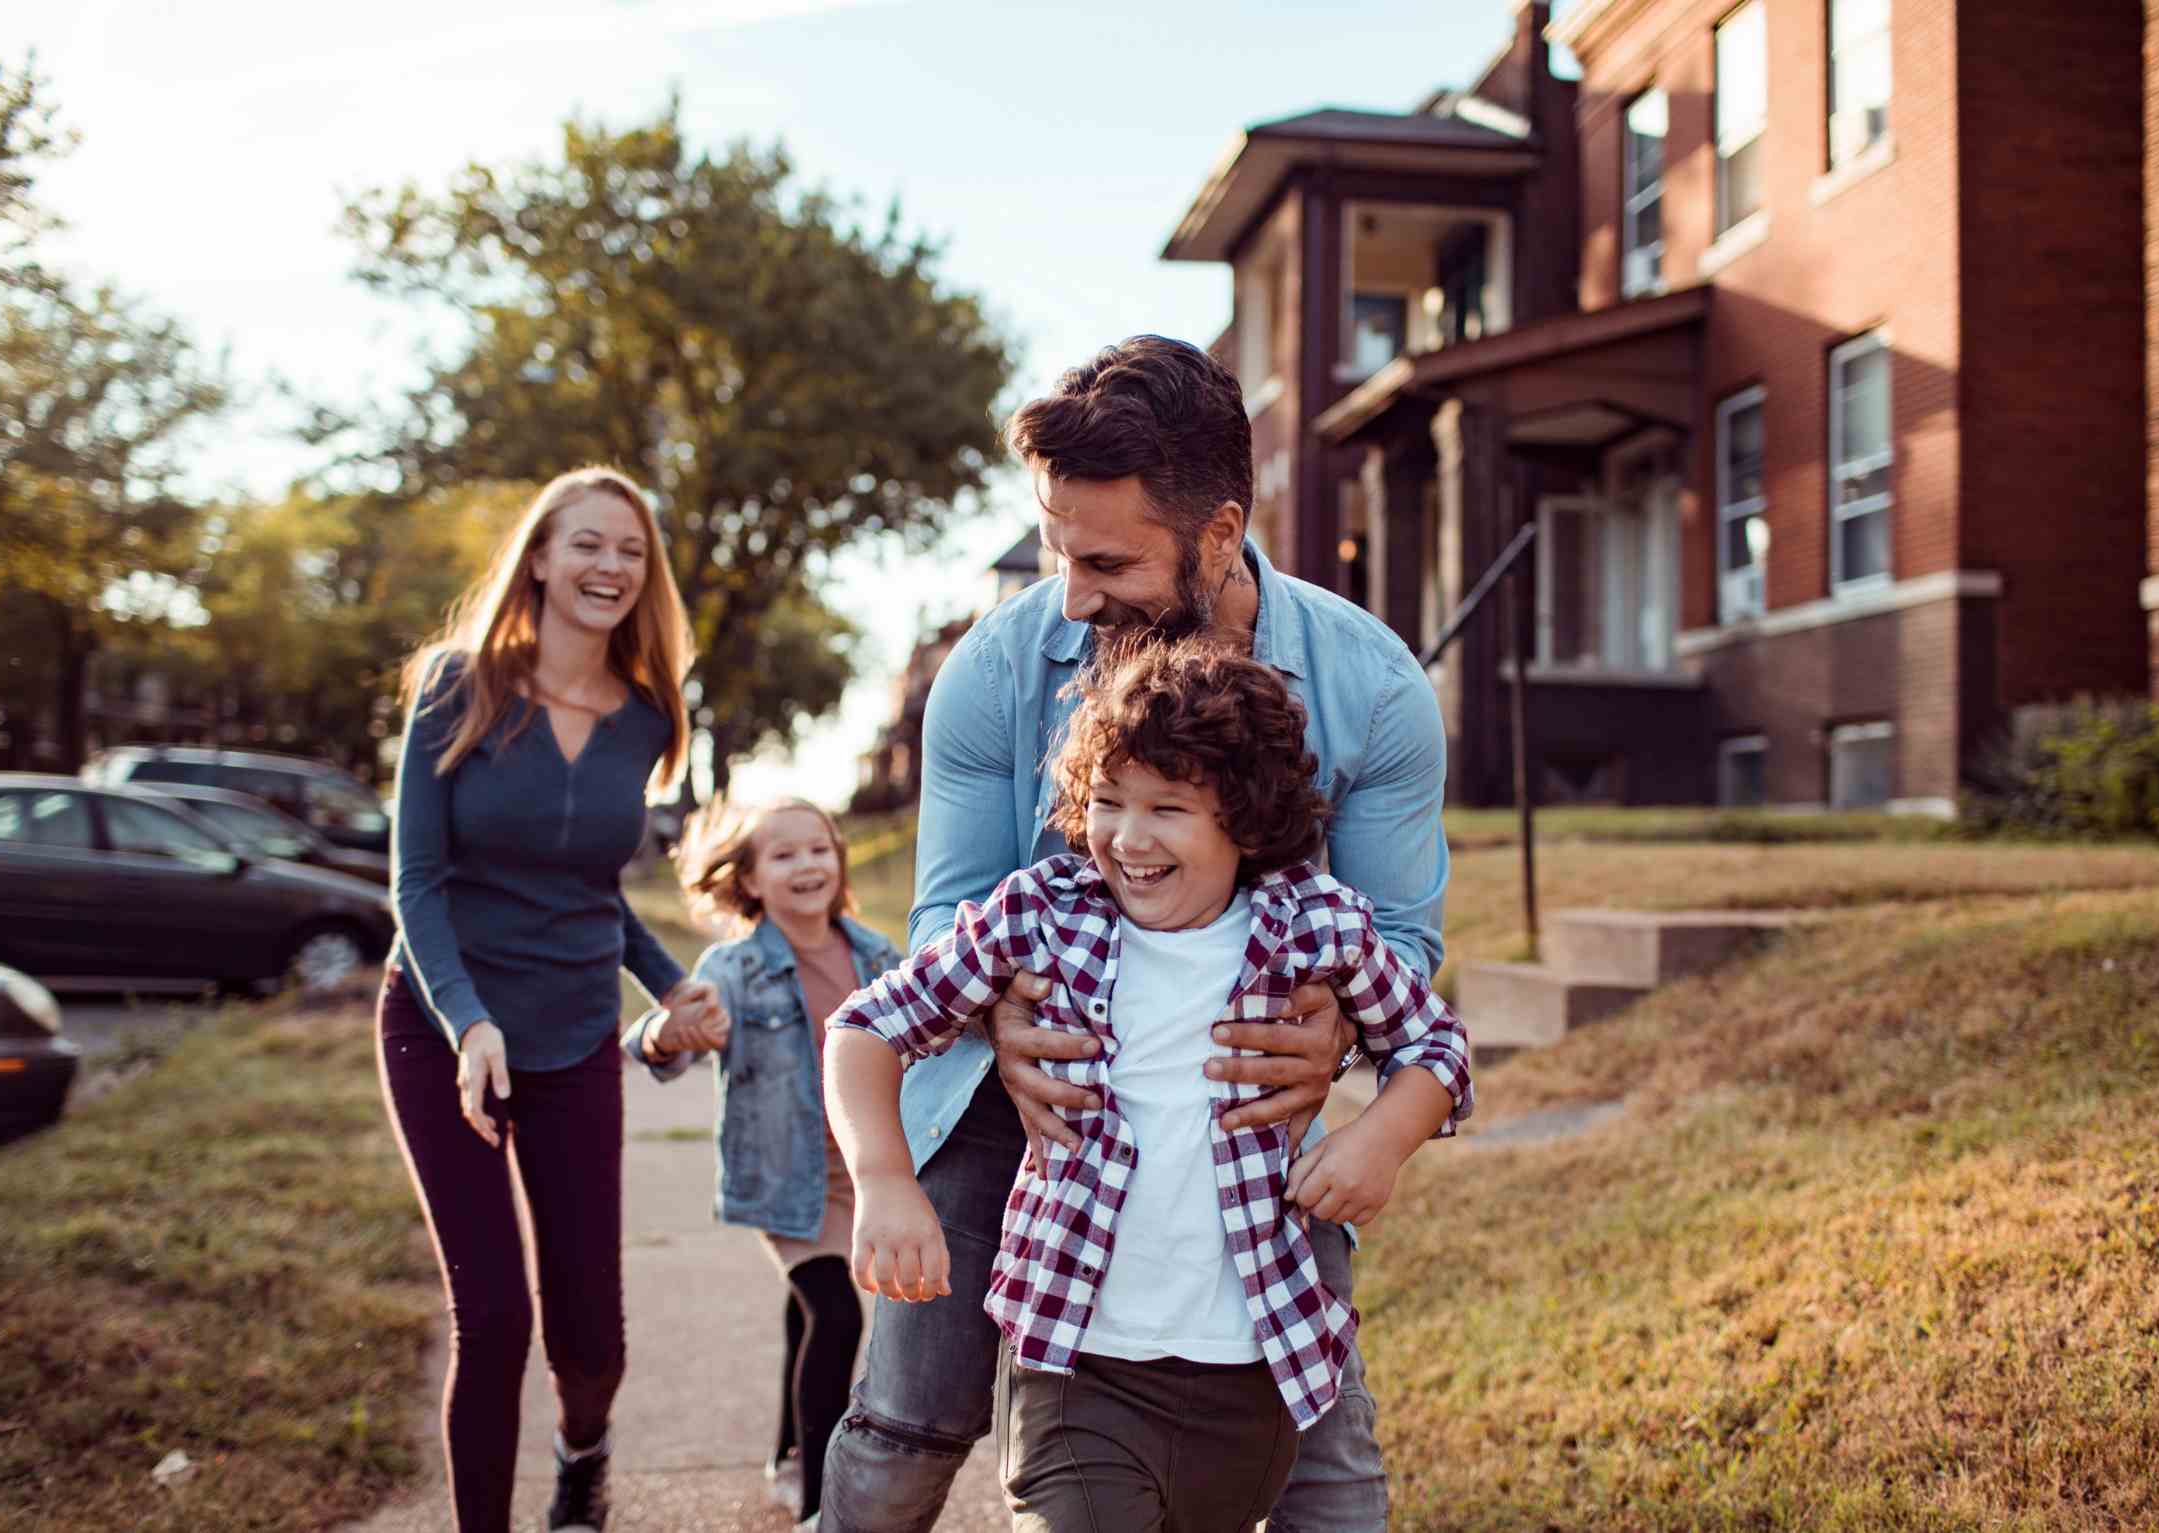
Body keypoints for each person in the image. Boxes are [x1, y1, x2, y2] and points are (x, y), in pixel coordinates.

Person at [820, 336, 1451, 1533]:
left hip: (1236, 1114)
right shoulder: (994, 674)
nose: (1071, 592)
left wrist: (1333, 1048)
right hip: (1013, 1101)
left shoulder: (1371, 691)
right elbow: (945, 916)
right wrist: (1008, 1016)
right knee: (913, 1424)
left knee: (1325, 1462)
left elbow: (1404, 949)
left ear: (1219, 534)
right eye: (1058, 548)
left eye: (1107, 560)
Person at [381, 465, 727, 1533]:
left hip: (577, 1036)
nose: (609, 567)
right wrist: (467, 1020)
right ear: (538, 556)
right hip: (445, 1031)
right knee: (492, 1314)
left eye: (630, 551)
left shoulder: (647, 717)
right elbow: (417, 882)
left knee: (592, 1330)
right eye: (587, 544)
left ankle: (584, 1459)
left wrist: (675, 985)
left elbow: (592, 894)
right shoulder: (459, 683)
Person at [620, 795, 904, 1531]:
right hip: (788, 1179)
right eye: (783, 855)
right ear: (748, 879)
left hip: (864, 1173)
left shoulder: (876, 954)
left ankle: (784, 1457)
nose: (807, 864)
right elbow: (652, 1041)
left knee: (808, 1308)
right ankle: (816, 1503)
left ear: (839, 858)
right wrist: (668, 1032)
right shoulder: (735, 966)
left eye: (819, 848)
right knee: (836, 1313)